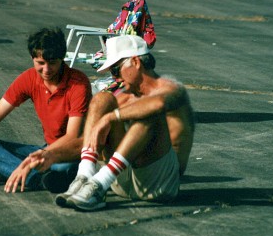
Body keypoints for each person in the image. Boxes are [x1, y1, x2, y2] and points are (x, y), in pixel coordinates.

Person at [48, 34, 195, 211]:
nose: (115, 78)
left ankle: (99, 182)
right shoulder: (124, 96)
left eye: (116, 70)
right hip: (120, 182)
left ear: (135, 62)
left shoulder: (172, 89)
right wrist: (49, 155)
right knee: (102, 99)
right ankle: (85, 179)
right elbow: (93, 137)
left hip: (159, 185)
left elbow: (159, 104)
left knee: (149, 112)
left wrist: (109, 118)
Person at [0, 27, 92, 193]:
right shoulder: (29, 78)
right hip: (47, 148)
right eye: (40, 63)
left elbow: (72, 137)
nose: (46, 70)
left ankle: (19, 173)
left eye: (52, 63)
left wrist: (30, 162)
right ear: (32, 58)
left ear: (62, 59)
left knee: (64, 166)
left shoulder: (78, 83)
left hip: (70, 152)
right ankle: (39, 178)